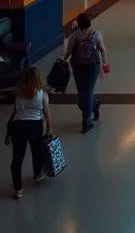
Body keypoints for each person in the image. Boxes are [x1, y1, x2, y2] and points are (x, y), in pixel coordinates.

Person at [8, 66, 53, 199]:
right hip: (35, 125)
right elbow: (47, 113)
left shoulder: (18, 93)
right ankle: (37, 174)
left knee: (17, 158)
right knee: (36, 152)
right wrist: (49, 127)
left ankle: (18, 189)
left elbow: (16, 110)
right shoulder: (42, 95)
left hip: (18, 126)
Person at [64, 14, 107, 133]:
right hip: (93, 67)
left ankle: (86, 122)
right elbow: (102, 49)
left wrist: (62, 61)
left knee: (85, 93)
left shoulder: (74, 36)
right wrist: (104, 65)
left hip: (78, 67)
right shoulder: (96, 34)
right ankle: (95, 105)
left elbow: (68, 53)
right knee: (84, 93)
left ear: (79, 24)